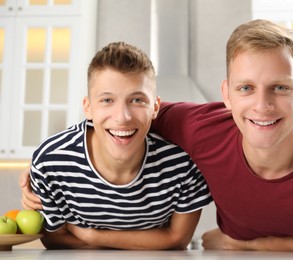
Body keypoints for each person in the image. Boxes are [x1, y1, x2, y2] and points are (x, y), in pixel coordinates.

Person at [21, 19, 293, 251]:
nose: (262, 105)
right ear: (227, 94)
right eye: (246, 87)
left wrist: (237, 244)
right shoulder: (197, 128)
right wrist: (41, 167)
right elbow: (126, 120)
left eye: (280, 87)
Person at [23, 42, 212, 250]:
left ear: (155, 107)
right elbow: (54, 239)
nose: (122, 117)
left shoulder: (183, 164)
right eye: (106, 100)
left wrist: (95, 237)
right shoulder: (51, 163)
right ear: (88, 107)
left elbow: (177, 240)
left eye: (137, 100)